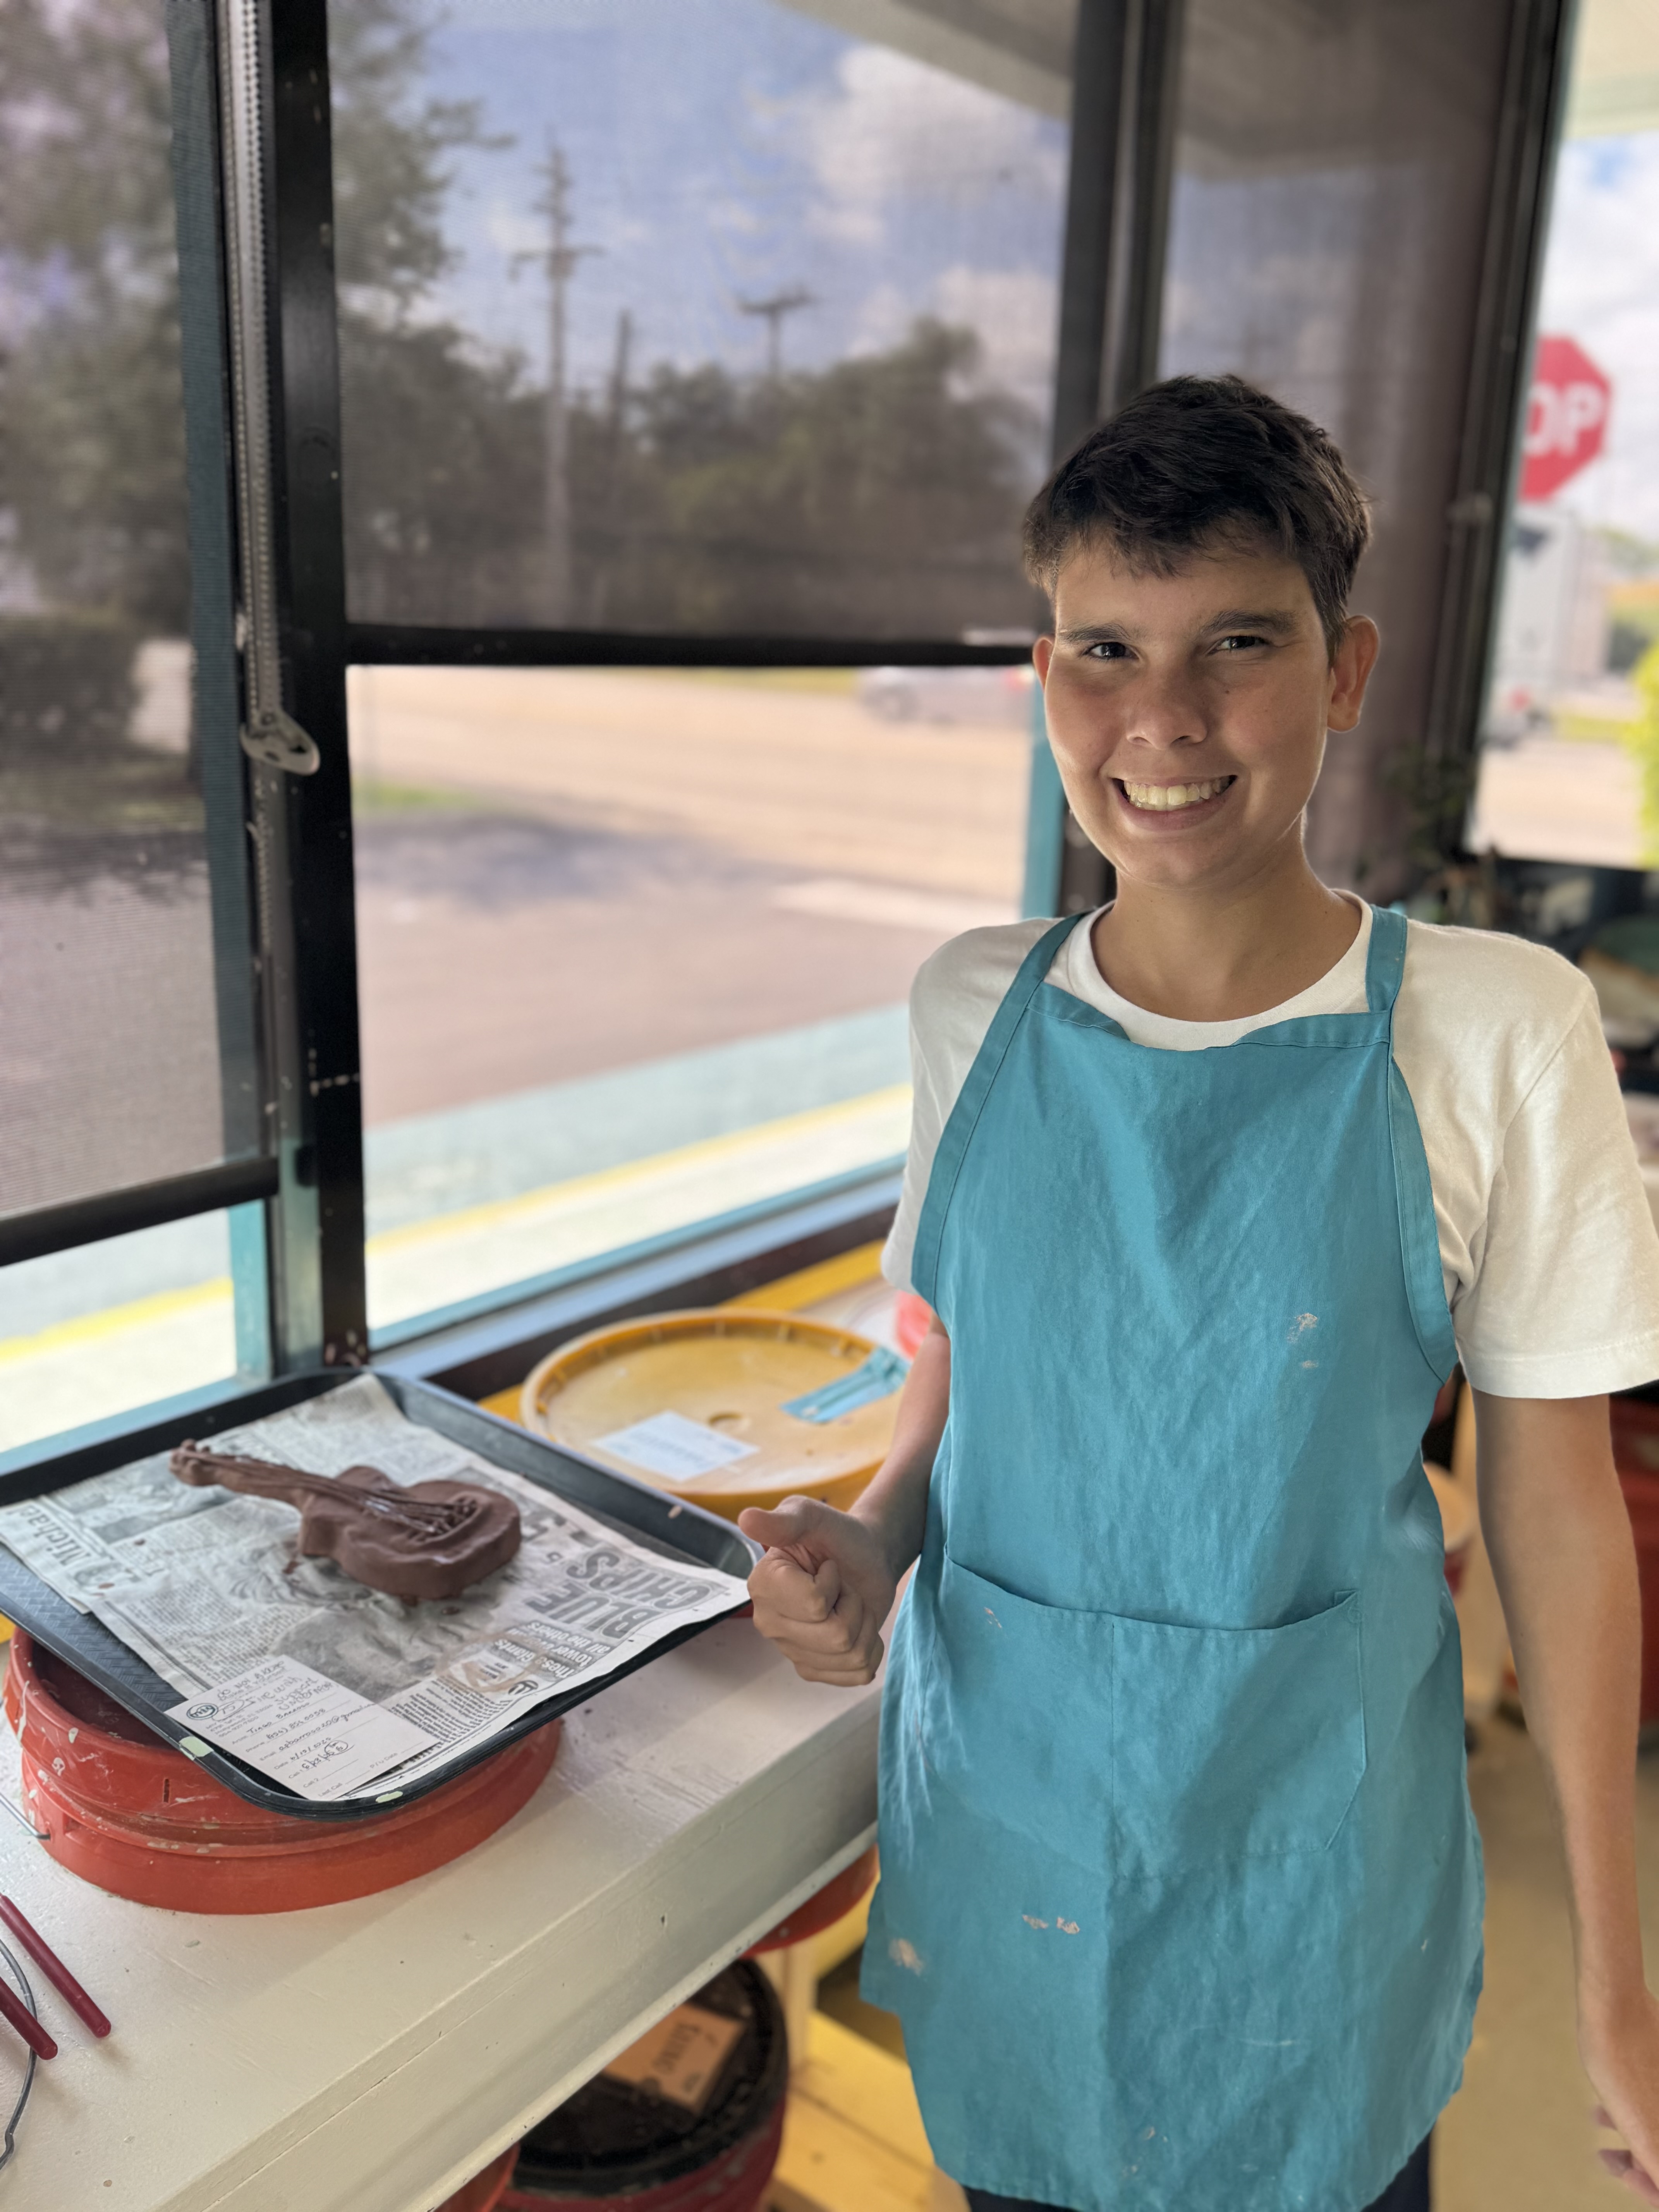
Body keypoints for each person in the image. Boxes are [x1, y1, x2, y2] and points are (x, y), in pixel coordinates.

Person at [739, 374, 1659, 2212]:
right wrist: (881, 1530)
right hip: (1009, 1823)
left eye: (1238, 641)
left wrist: (1620, 1987)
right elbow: (960, 1367)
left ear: (1343, 669)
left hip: (1308, 1871)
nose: (1160, 719)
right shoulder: (970, 1006)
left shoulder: (1488, 1028)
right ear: (1044, 676)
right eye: (1105, 648)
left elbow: (1557, 1517)